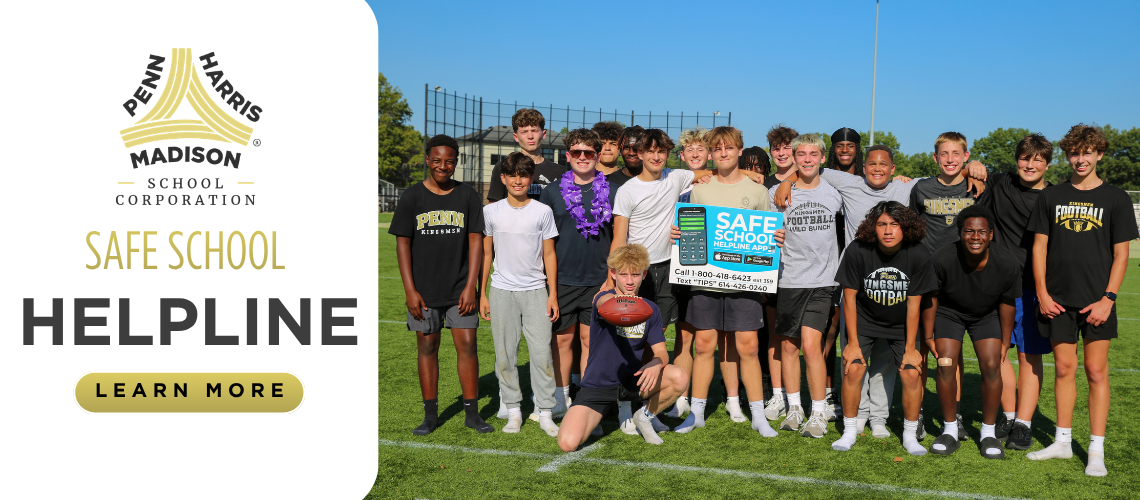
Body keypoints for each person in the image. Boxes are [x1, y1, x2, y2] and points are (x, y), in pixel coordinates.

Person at [777, 144, 916, 437]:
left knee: (887, 357)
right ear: (862, 167)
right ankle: (855, 415)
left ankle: (878, 416)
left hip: (890, 281)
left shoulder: (905, 188)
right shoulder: (846, 183)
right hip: (853, 280)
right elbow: (808, 166)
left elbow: (940, 180)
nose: (877, 169)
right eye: (872, 164)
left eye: (884, 165)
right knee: (852, 351)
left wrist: (971, 170)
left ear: (893, 169)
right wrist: (787, 181)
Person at [1026, 124, 1136, 476]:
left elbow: (1121, 255)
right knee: (1064, 369)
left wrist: (1109, 298)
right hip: (1057, 300)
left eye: (1088, 152)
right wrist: (1042, 293)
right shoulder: (1050, 196)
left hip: (1097, 301)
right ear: (1068, 155)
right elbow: (1039, 248)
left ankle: (1096, 450)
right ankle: (1061, 441)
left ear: (1100, 154)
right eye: (1075, 152)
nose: (1080, 159)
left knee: (1096, 371)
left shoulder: (1116, 198)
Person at [673, 126, 778, 437]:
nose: (723, 153)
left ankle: (758, 415)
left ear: (739, 151)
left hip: (744, 284)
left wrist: (776, 238)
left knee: (747, 347)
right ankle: (697, 412)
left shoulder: (758, 190)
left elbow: (767, 233)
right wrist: (678, 234)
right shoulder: (700, 188)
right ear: (710, 153)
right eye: (717, 149)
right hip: (705, 281)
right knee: (704, 345)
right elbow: (691, 226)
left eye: (729, 148)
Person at [389, 134, 493, 435]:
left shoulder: (468, 196)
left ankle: (472, 415)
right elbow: (402, 246)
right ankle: (430, 416)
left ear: (456, 162)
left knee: (468, 346)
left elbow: (476, 242)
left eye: (449, 161)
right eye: (437, 160)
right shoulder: (412, 197)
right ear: (427, 160)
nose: (442, 166)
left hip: (460, 288)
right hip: (424, 290)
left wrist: (470, 286)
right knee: (427, 346)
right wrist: (410, 290)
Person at [965, 134, 1053, 450]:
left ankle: (1024, 425)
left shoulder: (1054, 198)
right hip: (995, 287)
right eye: (1025, 158)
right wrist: (972, 164)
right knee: (998, 354)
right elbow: (966, 173)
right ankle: (1009, 414)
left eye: (1037, 160)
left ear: (1047, 163)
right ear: (1017, 160)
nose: (1030, 165)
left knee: (1030, 358)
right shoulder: (1001, 183)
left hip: (1033, 288)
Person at [557, 244, 691, 451]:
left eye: (635, 275)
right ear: (613, 273)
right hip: (598, 385)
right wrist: (615, 302)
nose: (629, 281)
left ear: (644, 274)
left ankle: (643, 416)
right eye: (624, 274)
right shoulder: (602, 299)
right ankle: (599, 415)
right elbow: (605, 302)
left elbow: (661, 352)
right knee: (567, 443)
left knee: (679, 376)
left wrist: (656, 364)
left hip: (633, 381)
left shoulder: (650, 309)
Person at [831, 201, 935, 456]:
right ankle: (850, 431)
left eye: (894, 224)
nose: (888, 231)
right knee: (854, 368)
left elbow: (914, 305)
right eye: (882, 224)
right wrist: (852, 343)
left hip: (902, 323)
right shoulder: (858, 249)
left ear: (905, 227)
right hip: (865, 320)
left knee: (911, 373)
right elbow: (850, 298)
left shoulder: (918, 253)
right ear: (873, 227)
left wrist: (911, 348)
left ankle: (910, 436)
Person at [925, 204, 1019, 458]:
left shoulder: (1007, 262)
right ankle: (950, 430)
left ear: (991, 234)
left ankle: (988, 433)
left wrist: (1005, 340)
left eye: (981, 232)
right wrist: (927, 335)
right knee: (945, 363)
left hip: (986, 316)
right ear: (959, 234)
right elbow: (931, 298)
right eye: (969, 231)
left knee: (991, 365)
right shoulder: (942, 258)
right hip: (949, 313)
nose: (975, 237)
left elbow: (1007, 303)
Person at [479, 152, 561, 437]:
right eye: (511, 175)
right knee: (505, 355)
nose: (517, 180)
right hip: (501, 291)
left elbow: (549, 253)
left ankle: (546, 410)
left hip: (536, 291)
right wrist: (482, 294)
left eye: (523, 175)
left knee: (541, 354)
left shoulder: (542, 211)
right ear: (502, 178)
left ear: (530, 179)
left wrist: (552, 294)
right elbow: (486, 254)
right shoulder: (491, 212)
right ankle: (513, 410)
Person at [538, 129, 617, 424]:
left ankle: (587, 399)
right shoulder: (551, 192)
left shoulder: (613, 190)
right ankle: (560, 397)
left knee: (590, 341)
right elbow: (542, 240)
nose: (583, 158)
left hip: (600, 279)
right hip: (562, 280)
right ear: (567, 155)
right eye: (577, 152)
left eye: (589, 153)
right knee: (560, 341)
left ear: (597, 156)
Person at [767, 134, 844, 437]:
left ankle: (818, 412)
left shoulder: (835, 191)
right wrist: (775, 238)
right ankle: (794, 407)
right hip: (789, 279)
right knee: (788, 345)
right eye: (802, 154)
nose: (808, 159)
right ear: (795, 158)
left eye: (814, 154)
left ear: (823, 158)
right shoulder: (778, 192)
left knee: (812, 346)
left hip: (823, 281)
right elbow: (766, 233)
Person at [908, 131, 982, 440]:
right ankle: (920, 411)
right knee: (921, 348)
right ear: (935, 158)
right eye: (944, 154)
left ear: (966, 157)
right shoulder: (922, 188)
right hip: (926, 280)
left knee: (953, 351)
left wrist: (979, 168)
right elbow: (911, 228)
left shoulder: (976, 186)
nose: (950, 159)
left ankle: (956, 413)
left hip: (961, 280)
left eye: (957, 154)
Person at [665, 126, 711, 419]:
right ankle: (680, 396)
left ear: (709, 153)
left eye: (701, 149)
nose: (695, 154)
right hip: (675, 265)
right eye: (689, 150)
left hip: (708, 269)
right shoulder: (671, 179)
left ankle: (704, 398)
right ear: (682, 155)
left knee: (705, 338)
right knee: (682, 335)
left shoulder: (719, 181)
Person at [762, 124, 799, 423]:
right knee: (776, 335)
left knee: (805, 340)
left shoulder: (814, 177)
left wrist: (794, 178)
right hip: (774, 271)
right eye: (777, 148)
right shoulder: (764, 185)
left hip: (809, 272)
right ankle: (778, 395)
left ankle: (812, 397)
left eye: (787, 147)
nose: (782, 152)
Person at [486, 108, 567, 202]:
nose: (530, 136)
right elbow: (493, 207)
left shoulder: (558, 171)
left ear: (543, 134)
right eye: (524, 132)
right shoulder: (503, 167)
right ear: (516, 137)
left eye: (534, 130)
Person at [607, 125, 646, 191]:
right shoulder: (608, 181)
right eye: (626, 148)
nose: (631, 153)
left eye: (635, 148)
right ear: (621, 150)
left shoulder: (656, 180)